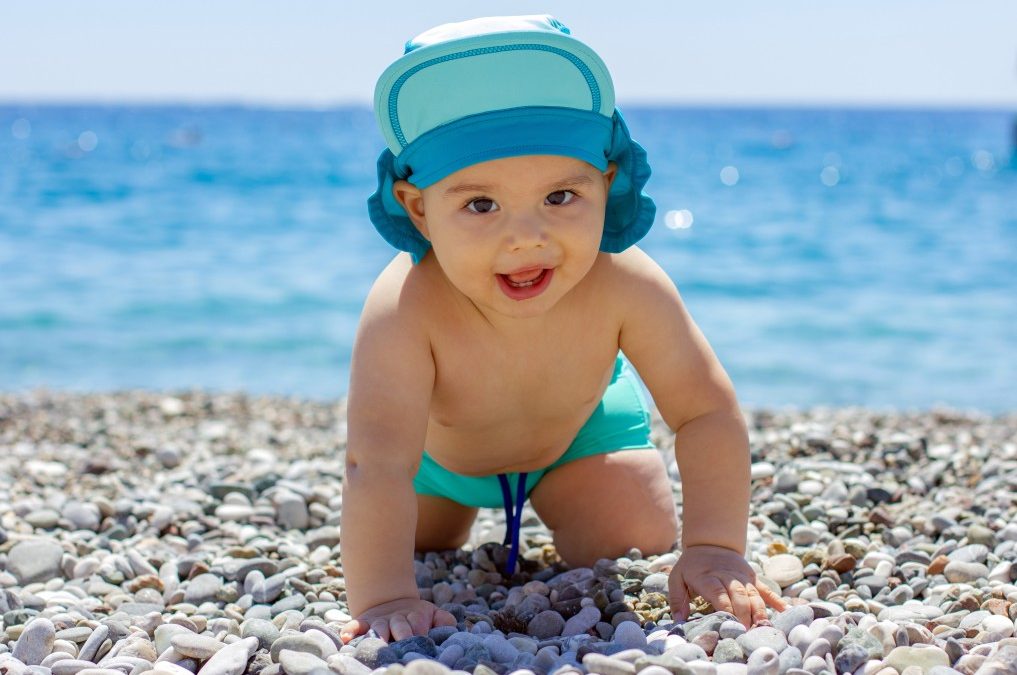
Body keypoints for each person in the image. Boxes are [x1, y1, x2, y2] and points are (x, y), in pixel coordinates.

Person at [339, 14, 785, 644]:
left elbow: (706, 410)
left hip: (574, 440)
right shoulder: (406, 305)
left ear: (605, 184)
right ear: (419, 209)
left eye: (560, 197)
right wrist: (383, 597)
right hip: (433, 462)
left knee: (633, 534)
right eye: (480, 204)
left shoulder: (625, 281)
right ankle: (450, 514)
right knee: (420, 543)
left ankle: (581, 492)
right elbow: (377, 463)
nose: (526, 236)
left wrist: (714, 546)